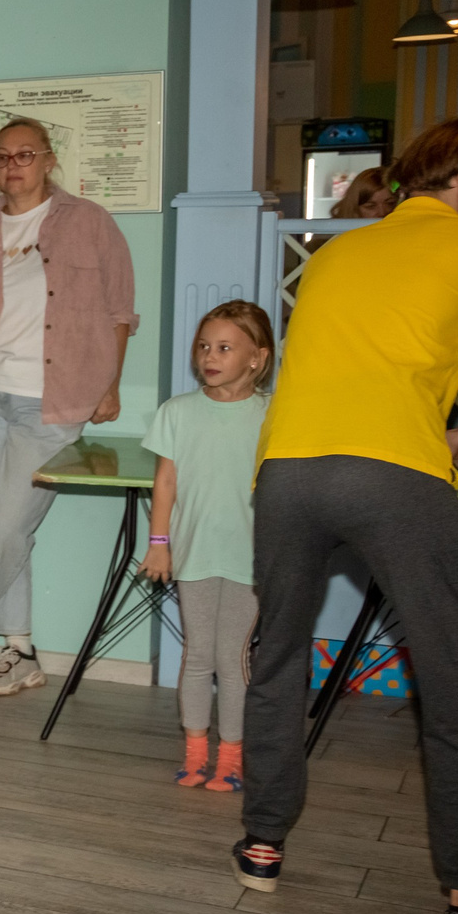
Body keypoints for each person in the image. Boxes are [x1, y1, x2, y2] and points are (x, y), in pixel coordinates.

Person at [246, 118, 458, 914]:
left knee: (275, 659)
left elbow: (363, 372)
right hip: (392, 479)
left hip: (285, 473)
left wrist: (437, 431)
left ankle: (262, 847)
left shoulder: (342, 252)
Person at [0, 118, 137, 696]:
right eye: (2, 157)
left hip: (55, 399)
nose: (13, 166)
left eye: (25, 155)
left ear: (49, 160)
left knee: (10, 521)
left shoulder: (89, 222)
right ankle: (21, 651)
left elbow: (121, 312)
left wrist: (109, 385)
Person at [140, 302, 273, 791]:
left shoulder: (273, 415)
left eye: (224, 347)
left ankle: (232, 756)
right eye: (203, 346)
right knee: (198, 655)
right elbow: (166, 482)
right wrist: (159, 543)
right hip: (193, 555)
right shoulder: (177, 412)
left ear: (256, 358)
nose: (209, 357)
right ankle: (196, 752)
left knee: (232, 658)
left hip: (250, 561)